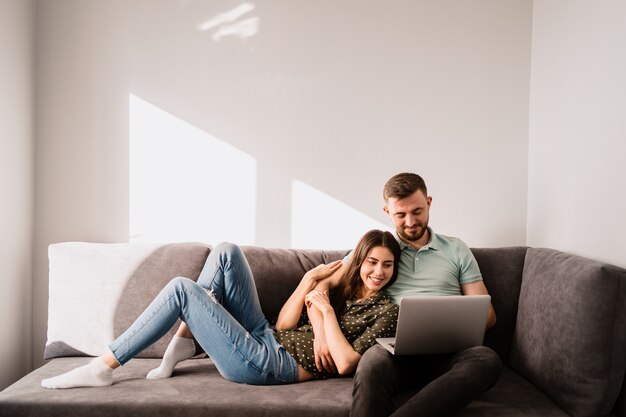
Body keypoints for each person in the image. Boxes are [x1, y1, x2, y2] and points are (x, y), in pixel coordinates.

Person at [41, 229, 401, 389]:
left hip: (269, 365)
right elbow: (286, 323)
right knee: (227, 251)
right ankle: (184, 342)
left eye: (387, 265)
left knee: (183, 289)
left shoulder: (386, 310)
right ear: (360, 260)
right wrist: (309, 282)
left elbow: (347, 364)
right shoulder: (341, 286)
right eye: (371, 262)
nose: (378, 272)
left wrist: (323, 315)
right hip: (267, 335)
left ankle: (103, 366)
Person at [311, 173, 502, 417]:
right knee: (370, 364)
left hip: (450, 353)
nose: (410, 222)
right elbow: (321, 287)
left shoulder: (456, 249)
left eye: (417, 211)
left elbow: (488, 314)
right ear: (387, 211)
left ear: (429, 203)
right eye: (401, 215)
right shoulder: (379, 251)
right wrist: (320, 332)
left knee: (486, 360)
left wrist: (447, 326)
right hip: (394, 353)